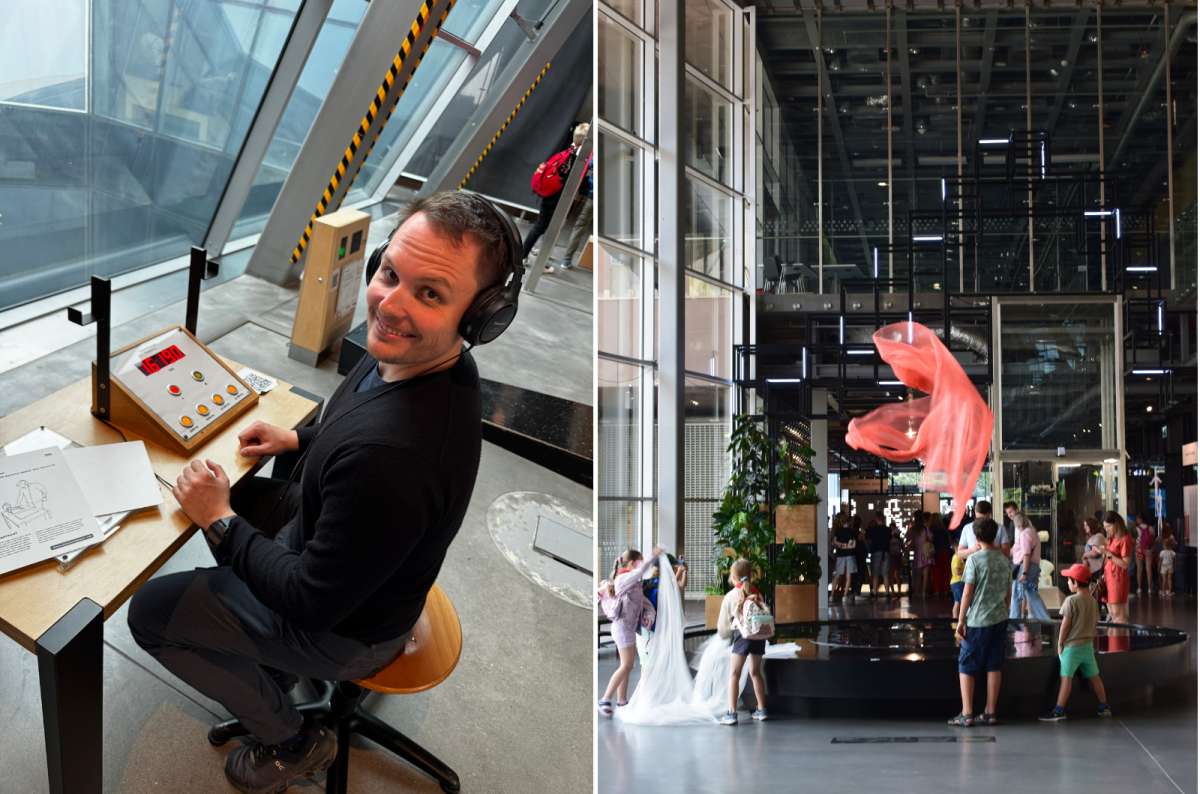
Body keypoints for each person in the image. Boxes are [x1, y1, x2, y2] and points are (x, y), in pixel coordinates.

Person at [127, 191, 515, 792]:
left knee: (150, 612)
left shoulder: (394, 457)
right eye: (391, 274)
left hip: (345, 631)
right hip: (370, 581)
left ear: (478, 317)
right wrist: (299, 439)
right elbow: (352, 430)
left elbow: (310, 602)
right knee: (251, 501)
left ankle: (292, 742)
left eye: (430, 293)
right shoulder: (418, 361)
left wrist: (219, 520)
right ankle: (266, 667)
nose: (391, 304)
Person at [949, 518, 1011, 727]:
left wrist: (961, 620)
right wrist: (1005, 609)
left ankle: (967, 714)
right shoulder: (1004, 560)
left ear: (976, 537)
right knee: (994, 664)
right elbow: (1008, 592)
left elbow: (967, 593)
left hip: (977, 620)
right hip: (1000, 618)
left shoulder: (975, 560)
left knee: (966, 664)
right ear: (995, 536)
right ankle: (990, 712)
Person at [1039, 563, 1113, 721]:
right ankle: (1104, 706)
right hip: (1087, 646)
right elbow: (1095, 622)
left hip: (1071, 647)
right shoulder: (1093, 601)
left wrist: (1060, 643)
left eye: (1068, 580)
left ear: (1075, 582)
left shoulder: (1070, 601)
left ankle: (1059, 710)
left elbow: (1065, 625)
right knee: (1095, 677)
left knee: (1066, 678)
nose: (1067, 583)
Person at [599, 547, 660, 715]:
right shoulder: (623, 578)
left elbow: (644, 603)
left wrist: (649, 615)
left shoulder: (633, 583)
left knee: (626, 665)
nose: (641, 566)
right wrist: (653, 557)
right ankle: (605, 699)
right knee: (627, 665)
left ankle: (621, 701)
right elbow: (640, 571)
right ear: (633, 563)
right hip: (622, 629)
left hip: (627, 629)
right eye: (639, 562)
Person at [523, 122, 591, 261]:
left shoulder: (568, 152)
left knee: (544, 227)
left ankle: (537, 257)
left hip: (552, 195)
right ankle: (525, 256)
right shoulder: (575, 159)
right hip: (556, 198)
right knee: (543, 227)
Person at [717, 559, 768, 725]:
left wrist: (724, 635)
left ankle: (731, 713)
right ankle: (761, 709)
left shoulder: (731, 596)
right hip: (758, 636)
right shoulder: (757, 592)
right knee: (755, 672)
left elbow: (723, 626)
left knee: (734, 674)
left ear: (733, 577)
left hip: (742, 636)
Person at [1009, 512, 1052, 622]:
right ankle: (1046, 620)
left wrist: (1024, 573)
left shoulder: (1024, 534)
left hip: (1025, 567)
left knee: (1016, 595)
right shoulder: (1033, 532)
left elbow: (1026, 554)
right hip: (1033, 567)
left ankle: (1014, 621)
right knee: (1032, 594)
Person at [1102, 512, 1134, 624]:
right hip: (1109, 577)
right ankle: (1116, 639)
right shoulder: (1112, 538)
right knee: (1111, 612)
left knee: (1118, 614)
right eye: (1105, 527)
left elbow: (1125, 564)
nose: (1106, 529)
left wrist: (1108, 554)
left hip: (1118, 579)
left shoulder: (1124, 539)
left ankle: (1121, 639)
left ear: (1116, 524)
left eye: (1108, 526)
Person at [832, 515, 858, 602]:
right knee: (848, 576)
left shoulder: (838, 531)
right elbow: (853, 545)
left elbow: (834, 542)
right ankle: (845, 595)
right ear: (849, 522)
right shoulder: (851, 531)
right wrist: (846, 546)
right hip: (850, 555)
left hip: (840, 555)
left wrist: (841, 545)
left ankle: (831, 595)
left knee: (837, 575)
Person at [906, 515, 933, 599]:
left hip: (917, 553)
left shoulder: (913, 529)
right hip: (926, 552)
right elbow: (931, 538)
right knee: (925, 574)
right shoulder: (925, 528)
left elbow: (907, 537)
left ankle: (917, 591)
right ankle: (924, 592)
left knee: (917, 574)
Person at [866, 511, 891, 597]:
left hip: (876, 553)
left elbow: (869, 540)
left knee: (875, 574)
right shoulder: (888, 529)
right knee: (885, 574)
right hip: (886, 553)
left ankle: (875, 592)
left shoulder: (873, 530)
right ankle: (887, 592)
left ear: (876, 519)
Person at [1133, 514, 1156, 596]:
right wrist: (1152, 549)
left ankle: (1139, 588)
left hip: (1139, 550)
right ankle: (1149, 588)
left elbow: (1134, 540)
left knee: (1139, 569)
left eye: (1137, 519)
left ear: (1140, 519)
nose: (1136, 520)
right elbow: (1153, 540)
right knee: (1148, 569)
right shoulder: (1150, 528)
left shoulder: (1136, 529)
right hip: (1148, 550)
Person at [930, 513, 951, 596]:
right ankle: (946, 590)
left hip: (935, 553)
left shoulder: (930, 530)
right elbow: (949, 541)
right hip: (945, 552)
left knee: (936, 572)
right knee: (946, 571)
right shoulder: (945, 530)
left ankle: (937, 590)